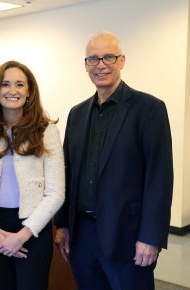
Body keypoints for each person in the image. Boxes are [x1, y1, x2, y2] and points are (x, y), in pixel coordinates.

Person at [54, 31, 174, 290]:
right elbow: (67, 173)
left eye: (108, 57)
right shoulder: (77, 113)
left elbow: (159, 178)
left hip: (127, 237)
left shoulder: (149, 109)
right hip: (82, 236)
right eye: (93, 59)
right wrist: (62, 224)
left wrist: (150, 238)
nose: (101, 65)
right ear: (86, 65)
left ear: (122, 61)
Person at [0, 60, 65, 290]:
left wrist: (21, 236)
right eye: (5, 84)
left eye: (20, 84)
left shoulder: (47, 132)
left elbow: (56, 193)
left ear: (29, 91)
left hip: (33, 228)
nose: (12, 91)